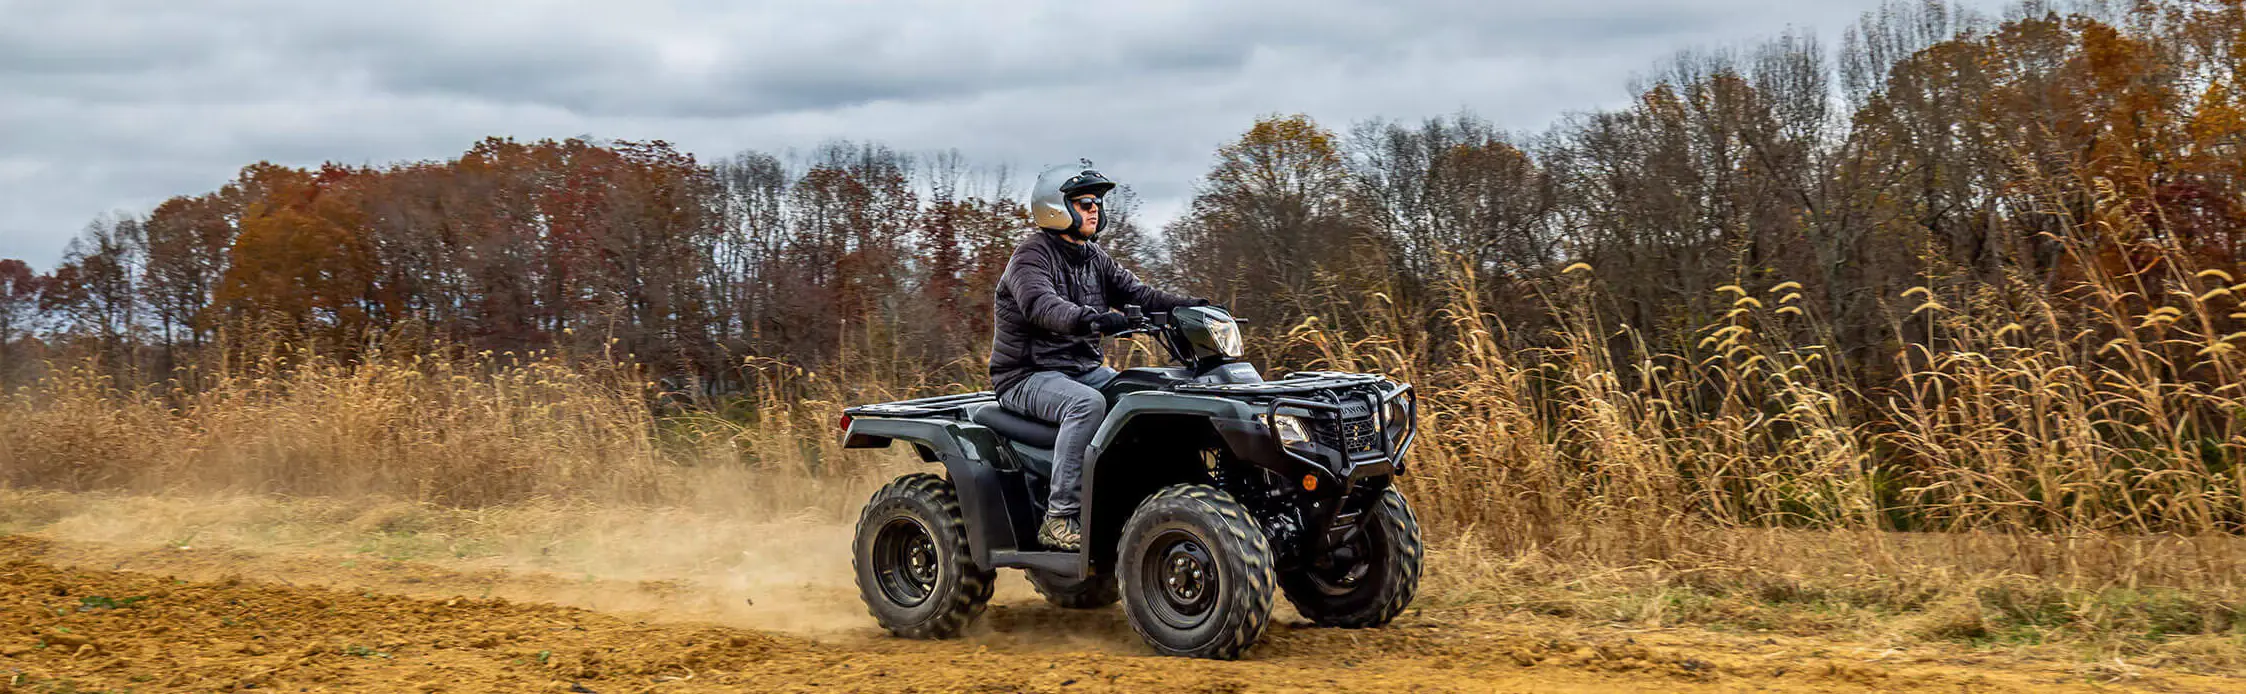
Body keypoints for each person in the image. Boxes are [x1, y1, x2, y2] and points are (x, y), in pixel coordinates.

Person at [991, 162, 1206, 551]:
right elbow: (1044, 306)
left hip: (1081, 370)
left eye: (1097, 203)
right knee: (1086, 406)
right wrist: (1093, 320)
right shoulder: (1030, 257)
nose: (1094, 209)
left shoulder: (1094, 258)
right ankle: (1059, 517)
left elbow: (1142, 295)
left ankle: (1143, 500)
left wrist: (1193, 307)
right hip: (1026, 376)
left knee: (1151, 392)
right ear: (1056, 207)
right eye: (1084, 202)